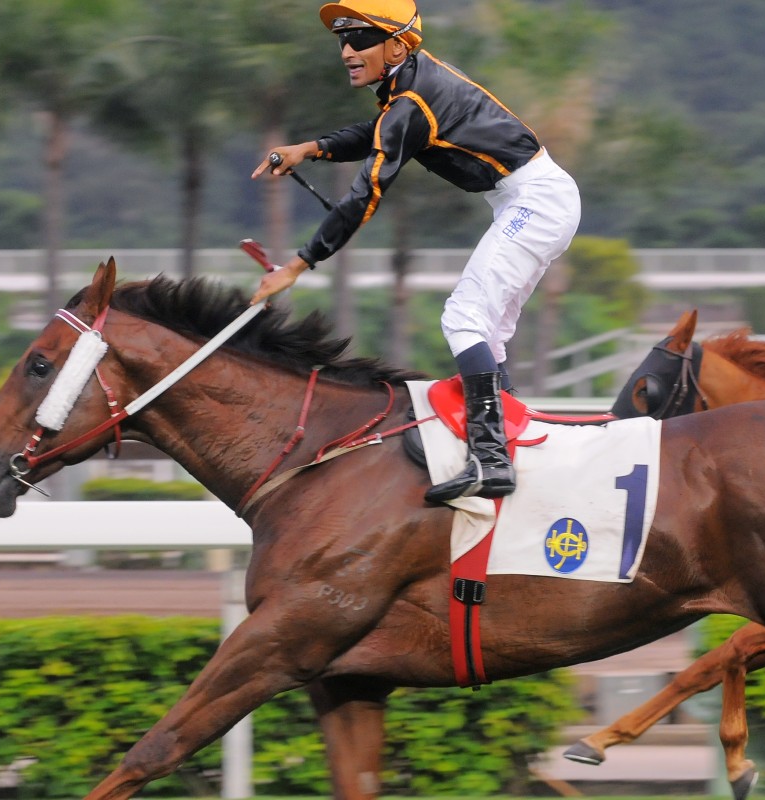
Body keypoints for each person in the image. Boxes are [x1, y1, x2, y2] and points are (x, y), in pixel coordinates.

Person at [249, 0, 581, 503]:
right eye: (342, 40)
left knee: (465, 318)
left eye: (360, 39)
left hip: (536, 198)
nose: (346, 51)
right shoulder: (406, 88)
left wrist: (299, 264)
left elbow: (364, 195)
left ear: (398, 45)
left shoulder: (410, 101)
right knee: (487, 331)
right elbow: (378, 134)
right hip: (534, 196)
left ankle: (491, 460)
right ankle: (511, 443)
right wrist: (309, 149)